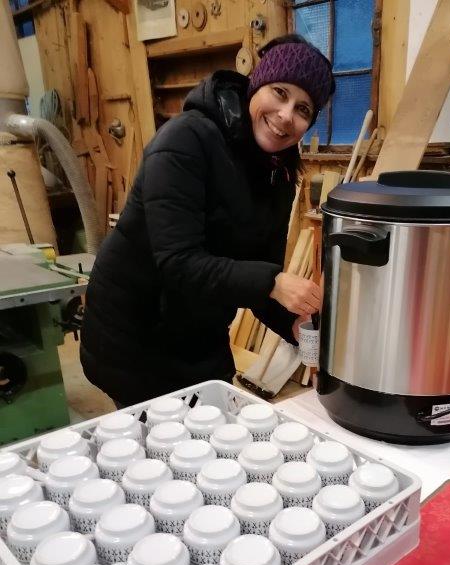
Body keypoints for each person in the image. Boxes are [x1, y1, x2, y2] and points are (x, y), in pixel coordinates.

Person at [80, 34, 335, 406]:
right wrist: (273, 282)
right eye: (280, 93)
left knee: (215, 419)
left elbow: (257, 272)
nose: (285, 115)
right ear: (256, 85)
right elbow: (178, 262)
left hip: (199, 333)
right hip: (133, 335)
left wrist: (292, 323)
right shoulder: (186, 140)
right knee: (159, 434)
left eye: (303, 109)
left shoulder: (277, 174)